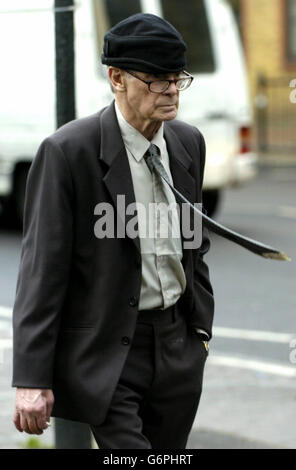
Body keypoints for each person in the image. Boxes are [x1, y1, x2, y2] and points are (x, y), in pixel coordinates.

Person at [12, 13, 214, 449]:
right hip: (111, 352)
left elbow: (196, 245)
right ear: (116, 77)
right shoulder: (68, 153)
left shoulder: (188, 142)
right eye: (157, 80)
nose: (172, 91)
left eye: (178, 78)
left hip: (178, 348)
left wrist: (200, 334)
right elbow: (41, 271)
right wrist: (31, 377)